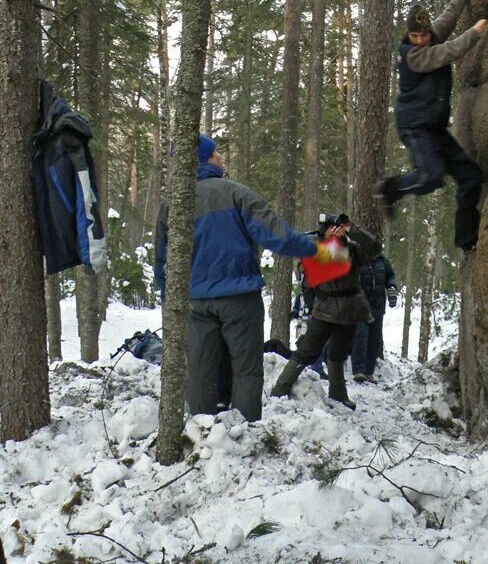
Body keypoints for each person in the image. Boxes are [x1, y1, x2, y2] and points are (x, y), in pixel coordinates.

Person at [154, 134, 339, 422]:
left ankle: (202, 432)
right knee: (246, 369)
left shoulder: (172, 204)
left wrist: (170, 300)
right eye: (216, 153)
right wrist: (318, 251)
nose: (221, 158)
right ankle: (246, 432)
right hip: (239, 299)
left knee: (200, 371)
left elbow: (163, 260)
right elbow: (277, 235)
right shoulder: (236, 193)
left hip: (197, 303)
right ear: (203, 159)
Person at [376, 0, 488, 252]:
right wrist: (483, 23)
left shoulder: (429, 37)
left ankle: (466, 239)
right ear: (408, 35)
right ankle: (390, 188)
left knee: (471, 177)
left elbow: (448, 15)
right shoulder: (414, 56)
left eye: (424, 35)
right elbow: (450, 51)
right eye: (415, 36)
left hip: (434, 128)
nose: (421, 40)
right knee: (430, 177)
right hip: (415, 127)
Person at [270, 213, 381, 410]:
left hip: (349, 310)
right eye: (331, 226)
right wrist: (336, 242)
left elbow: (374, 249)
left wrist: (351, 229)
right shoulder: (315, 247)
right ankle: (280, 389)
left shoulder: (351, 247)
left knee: (337, 353)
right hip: (326, 308)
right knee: (306, 351)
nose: (335, 229)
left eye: (336, 226)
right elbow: (319, 268)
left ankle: (338, 394)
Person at [351, 253, 397, 383]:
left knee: (374, 340)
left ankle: (369, 371)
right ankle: (358, 370)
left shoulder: (382, 262)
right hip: (360, 308)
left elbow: (390, 276)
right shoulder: (357, 260)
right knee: (360, 337)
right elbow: (352, 281)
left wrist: (392, 288)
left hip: (378, 307)